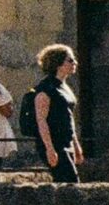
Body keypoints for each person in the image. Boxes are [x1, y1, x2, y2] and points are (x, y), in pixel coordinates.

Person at [29, 44, 84, 183]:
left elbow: (69, 118)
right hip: (54, 143)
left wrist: (76, 146)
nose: (74, 63)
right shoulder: (46, 89)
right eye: (70, 60)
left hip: (66, 142)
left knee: (66, 182)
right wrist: (49, 148)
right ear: (58, 64)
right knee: (70, 180)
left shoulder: (64, 87)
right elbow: (41, 120)